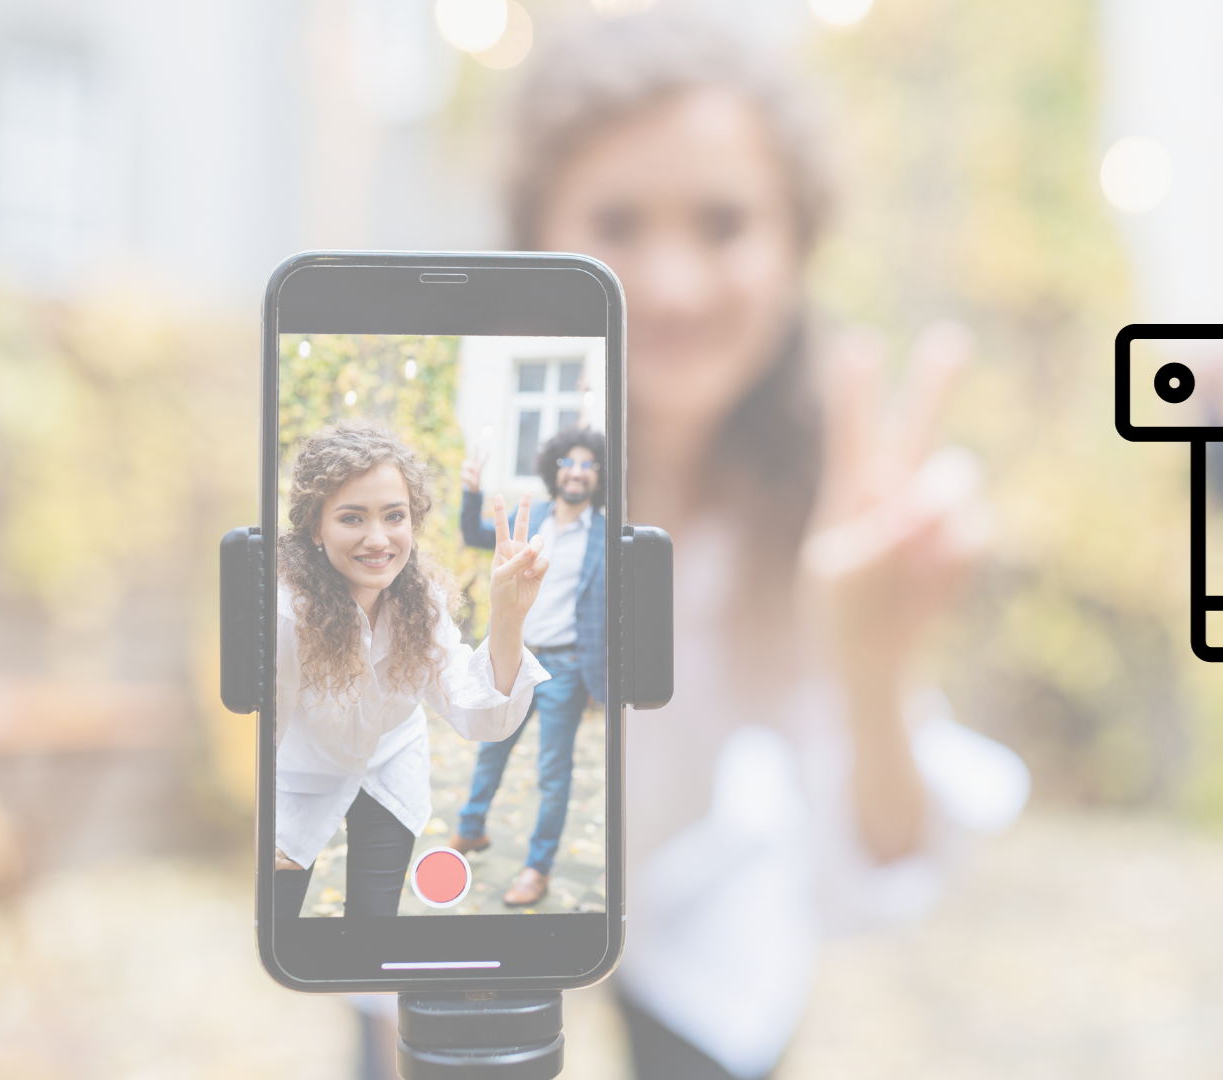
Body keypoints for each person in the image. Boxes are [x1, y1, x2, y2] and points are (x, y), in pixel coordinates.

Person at [502, 13, 1028, 1079]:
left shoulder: (823, 491)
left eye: (726, 223)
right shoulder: (467, 472)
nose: (674, 283)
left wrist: (872, 668)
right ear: (539, 236)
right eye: (617, 220)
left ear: (798, 243)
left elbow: (879, 854)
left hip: (701, 905)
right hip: (484, 903)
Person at [271, 419, 552, 922]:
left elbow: (479, 715)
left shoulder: (420, 604)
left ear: (412, 521)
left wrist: (508, 614)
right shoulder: (286, 612)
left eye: (393, 516)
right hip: (295, 778)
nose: (377, 539)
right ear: (315, 526)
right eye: (352, 518)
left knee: (373, 926)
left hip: (388, 763)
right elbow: (257, 728)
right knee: (276, 922)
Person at [452, 427, 608, 907]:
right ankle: (470, 829)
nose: (577, 471)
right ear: (554, 468)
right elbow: (477, 534)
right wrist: (471, 491)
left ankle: (537, 869)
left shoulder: (607, 535)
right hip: (518, 656)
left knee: (553, 774)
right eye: (569, 462)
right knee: (491, 747)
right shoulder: (532, 518)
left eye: (588, 463)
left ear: (599, 475)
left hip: (566, 667)